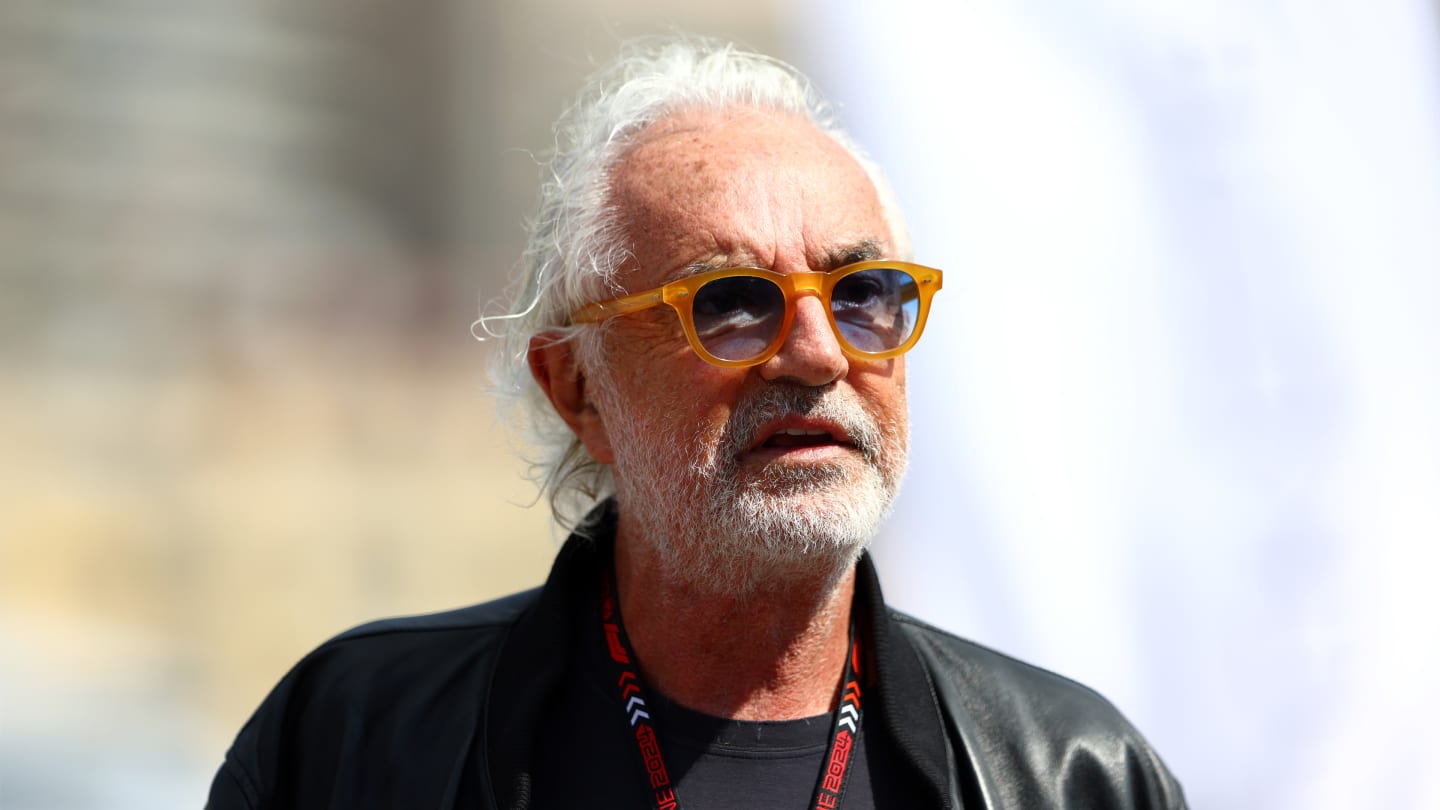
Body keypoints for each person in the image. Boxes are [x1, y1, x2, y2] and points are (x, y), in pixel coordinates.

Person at [207, 36, 1186, 809]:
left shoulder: (1071, 773)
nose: (816, 354)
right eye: (730, 302)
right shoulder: (353, 740)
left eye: (865, 295)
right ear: (577, 388)